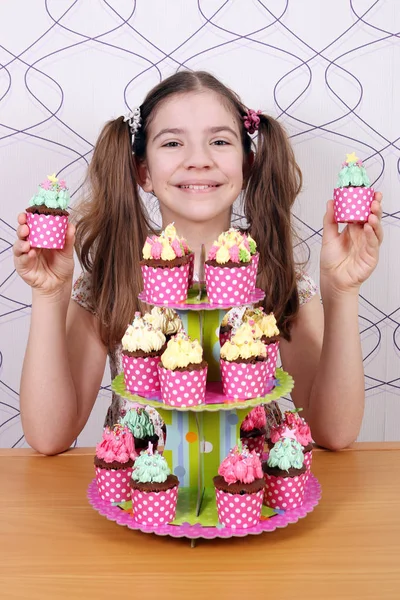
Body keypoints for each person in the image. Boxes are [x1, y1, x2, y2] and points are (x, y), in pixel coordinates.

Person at [13, 71, 383, 455]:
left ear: (247, 163)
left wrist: (341, 293)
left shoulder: (276, 274)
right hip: (145, 499)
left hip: (249, 496)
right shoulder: (113, 278)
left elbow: (334, 431)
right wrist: (49, 295)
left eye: (219, 141)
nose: (199, 160)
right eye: (173, 142)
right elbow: (48, 435)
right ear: (144, 171)